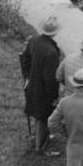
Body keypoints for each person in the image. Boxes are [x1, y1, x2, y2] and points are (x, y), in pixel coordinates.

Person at [19, 19, 62, 155]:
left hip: (33, 83)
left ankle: (43, 138)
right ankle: (41, 147)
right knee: (43, 116)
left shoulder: (34, 41)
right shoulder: (51, 52)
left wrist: (27, 76)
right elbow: (50, 78)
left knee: (40, 114)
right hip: (43, 89)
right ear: (54, 33)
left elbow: (25, 59)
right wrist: (54, 96)